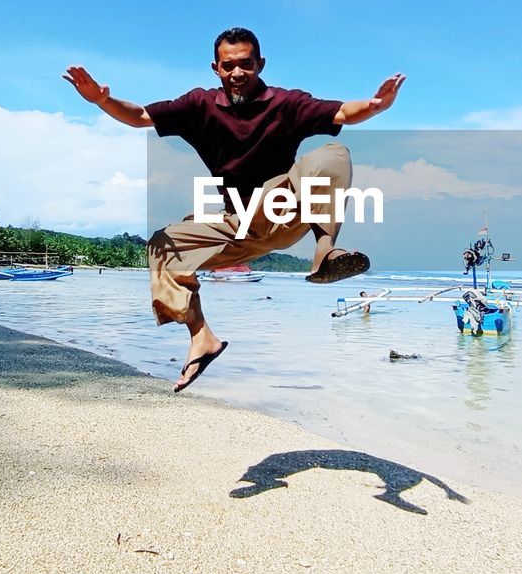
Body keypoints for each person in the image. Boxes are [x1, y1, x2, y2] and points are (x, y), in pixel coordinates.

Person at [64, 28, 405, 392]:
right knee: (163, 244)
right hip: (237, 223)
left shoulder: (286, 103)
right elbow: (140, 116)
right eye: (229, 66)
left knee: (333, 154)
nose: (238, 73)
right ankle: (202, 339)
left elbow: (342, 112)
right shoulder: (199, 105)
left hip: (282, 208)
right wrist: (102, 100)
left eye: (246, 64)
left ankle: (323, 252)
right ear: (216, 68)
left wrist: (374, 107)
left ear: (260, 64)